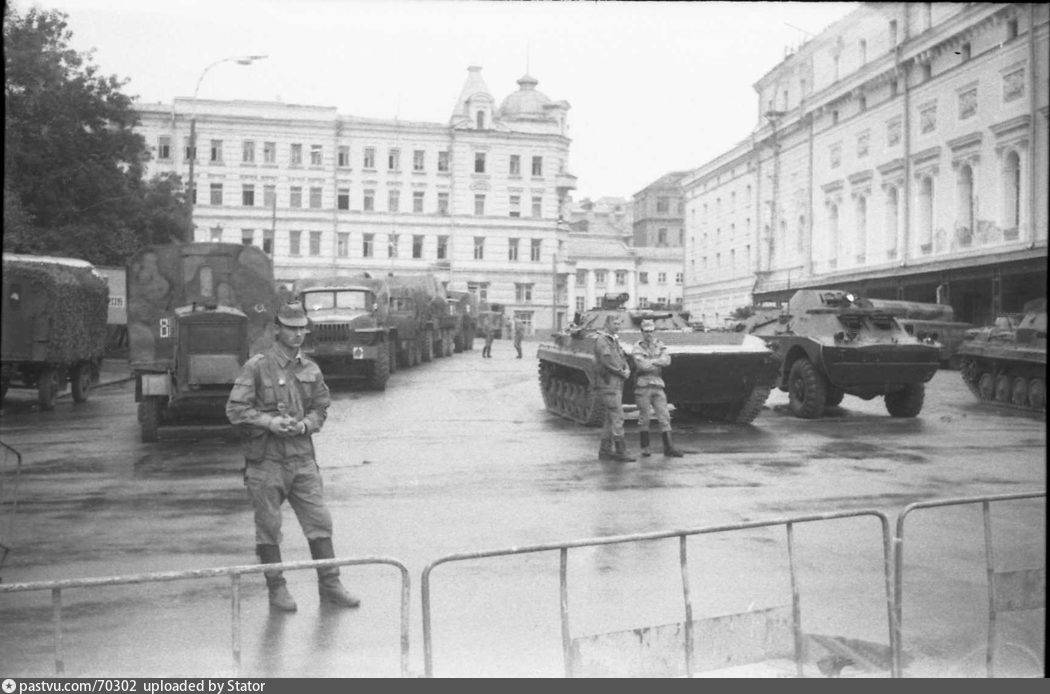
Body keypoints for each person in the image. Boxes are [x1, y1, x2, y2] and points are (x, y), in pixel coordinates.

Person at [226, 303, 360, 612]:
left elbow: (321, 407)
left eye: (302, 328)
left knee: (320, 522)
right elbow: (235, 410)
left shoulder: (310, 368)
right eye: (291, 327)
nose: (298, 334)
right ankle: (277, 589)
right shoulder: (256, 367)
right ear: (277, 330)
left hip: (301, 459)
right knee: (269, 527)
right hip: (266, 462)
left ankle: (330, 584)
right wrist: (269, 422)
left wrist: (304, 424)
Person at [631, 319, 685, 458]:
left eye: (651, 331)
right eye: (646, 331)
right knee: (645, 417)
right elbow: (642, 366)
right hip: (643, 386)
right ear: (641, 332)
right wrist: (657, 361)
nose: (648, 334)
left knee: (664, 416)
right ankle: (645, 448)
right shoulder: (637, 346)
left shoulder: (660, 344)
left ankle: (669, 448)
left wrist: (651, 361)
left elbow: (667, 360)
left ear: (654, 331)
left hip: (658, 385)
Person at [594, 314, 635, 462]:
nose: (618, 326)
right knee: (618, 416)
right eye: (615, 323)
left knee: (610, 419)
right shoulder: (603, 340)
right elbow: (607, 360)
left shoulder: (613, 339)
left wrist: (627, 369)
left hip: (616, 382)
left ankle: (604, 451)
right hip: (609, 383)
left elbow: (621, 357)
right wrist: (621, 372)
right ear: (608, 323)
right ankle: (620, 451)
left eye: (619, 323)